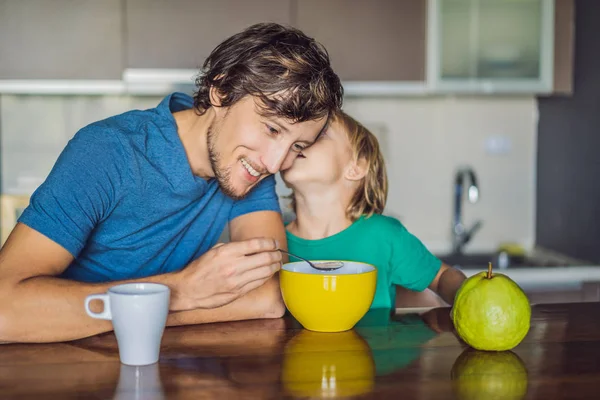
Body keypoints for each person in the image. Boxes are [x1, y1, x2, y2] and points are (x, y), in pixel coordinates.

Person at [0, 23, 343, 343]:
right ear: (221, 92)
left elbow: (266, 298)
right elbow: (6, 311)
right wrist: (182, 291)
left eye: (297, 147)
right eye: (272, 129)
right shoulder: (108, 151)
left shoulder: (251, 169)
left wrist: (139, 315)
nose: (274, 163)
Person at [281, 110, 466, 310]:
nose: (301, 139)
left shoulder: (384, 236)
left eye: (321, 132)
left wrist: (469, 295)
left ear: (356, 167)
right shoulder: (271, 239)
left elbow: (441, 277)